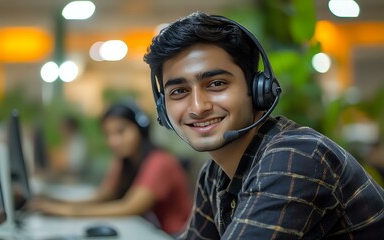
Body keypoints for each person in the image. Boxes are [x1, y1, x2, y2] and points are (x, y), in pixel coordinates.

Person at [143, 11, 384, 239]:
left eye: (216, 84)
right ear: (164, 109)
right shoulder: (215, 174)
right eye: (179, 91)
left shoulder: (295, 156)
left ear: (257, 88)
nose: (197, 107)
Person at [31, 101, 193, 235]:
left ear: (141, 128)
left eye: (120, 132)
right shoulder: (125, 160)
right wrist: (56, 201)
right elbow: (103, 196)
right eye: (108, 135)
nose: (113, 141)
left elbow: (130, 207)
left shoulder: (160, 161)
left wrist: (67, 212)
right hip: (149, 232)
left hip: (176, 235)